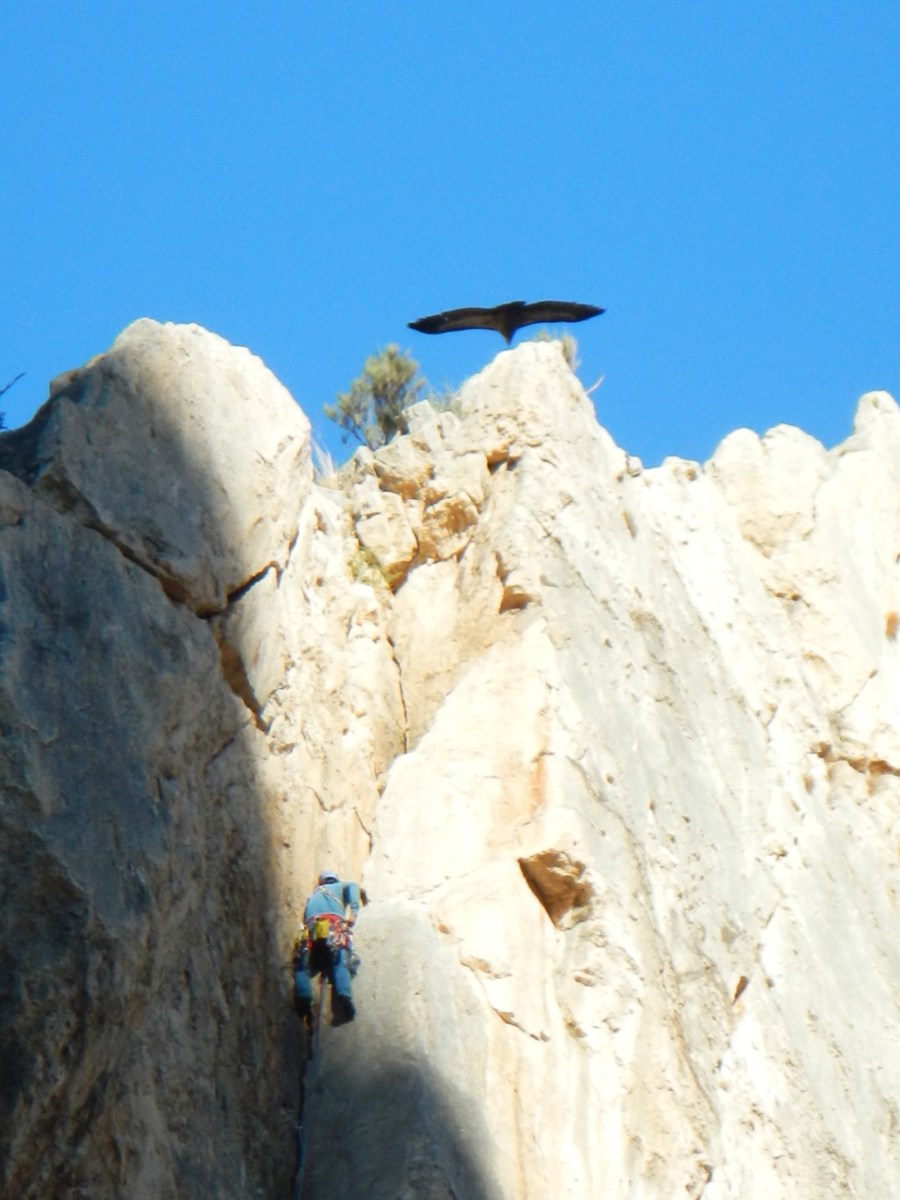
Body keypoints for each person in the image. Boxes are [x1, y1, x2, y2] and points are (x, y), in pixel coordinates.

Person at [294, 869, 360, 1027]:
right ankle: (343, 994)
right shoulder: (338, 887)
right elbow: (353, 886)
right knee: (340, 960)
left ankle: (303, 997)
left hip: (312, 929)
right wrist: (354, 911)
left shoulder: (312, 895)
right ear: (334, 880)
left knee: (303, 967)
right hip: (333, 925)